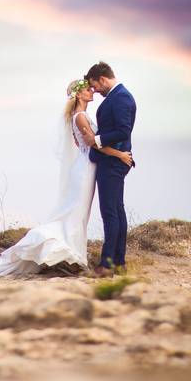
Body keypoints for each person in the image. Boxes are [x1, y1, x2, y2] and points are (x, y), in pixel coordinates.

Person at [0, 76, 133, 279]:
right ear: (78, 94)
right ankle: (58, 247)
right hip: (85, 170)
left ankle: (74, 253)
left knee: (79, 213)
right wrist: (120, 154)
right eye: (87, 89)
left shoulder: (82, 116)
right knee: (74, 211)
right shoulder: (80, 117)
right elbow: (93, 144)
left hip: (88, 167)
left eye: (91, 88)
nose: (92, 91)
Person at [80, 61, 137, 276]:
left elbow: (123, 131)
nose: (95, 90)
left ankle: (106, 264)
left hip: (112, 163)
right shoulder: (119, 96)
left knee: (110, 213)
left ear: (102, 79)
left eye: (95, 85)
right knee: (117, 211)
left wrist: (97, 139)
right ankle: (119, 262)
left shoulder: (120, 97)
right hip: (113, 161)